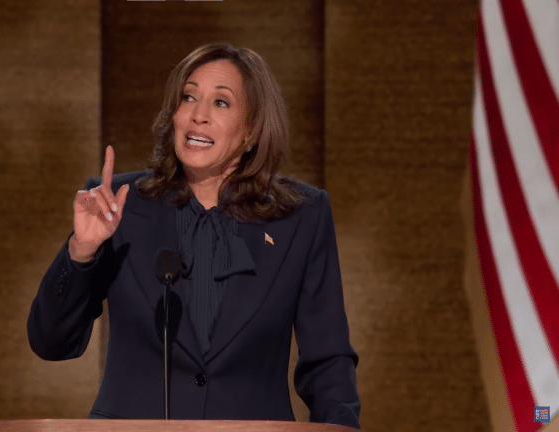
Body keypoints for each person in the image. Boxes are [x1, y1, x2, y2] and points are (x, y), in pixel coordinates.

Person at [27, 43, 360, 428]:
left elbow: (328, 360)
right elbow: (52, 343)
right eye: (189, 97)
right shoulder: (120, 206)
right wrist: (82, 249)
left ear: (252, 130)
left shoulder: (302, 216)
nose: (198, 115)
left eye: (221, 103)